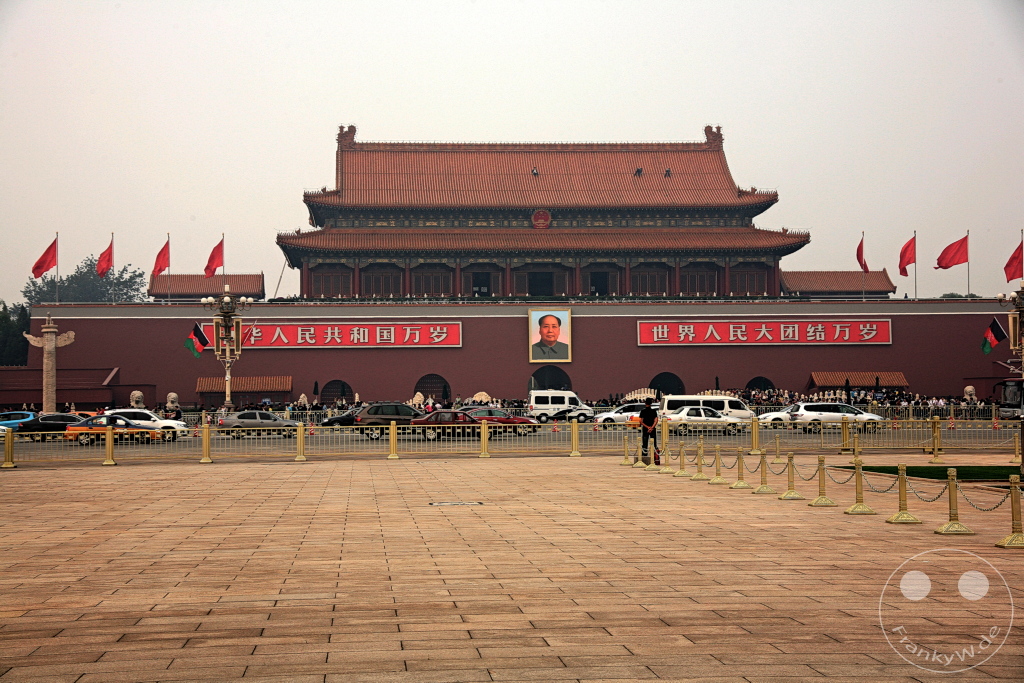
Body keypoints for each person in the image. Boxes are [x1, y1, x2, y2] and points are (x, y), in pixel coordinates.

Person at [638, 397, 660, 465]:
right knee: (654, 443)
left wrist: (647, 427)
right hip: (652, 429)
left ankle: (644, 458)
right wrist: (651, 427)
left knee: (645, 444)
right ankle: (655, 458)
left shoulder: (643, 411)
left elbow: (641, 421)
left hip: (645, 429)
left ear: (645, 403)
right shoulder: (654, 411)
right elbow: (656, 420)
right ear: (651, 403)